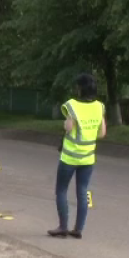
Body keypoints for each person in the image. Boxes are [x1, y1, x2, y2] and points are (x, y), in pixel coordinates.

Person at [48, 73, 106, 239]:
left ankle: (63, 227)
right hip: (88, 158)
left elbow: (68, 127)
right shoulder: (100, 107)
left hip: (69, 157)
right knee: (82, 191)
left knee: (61, 191)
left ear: (80, 89)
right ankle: (78, 229)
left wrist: (67, 124)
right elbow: (102, 133)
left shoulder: (72, 106)